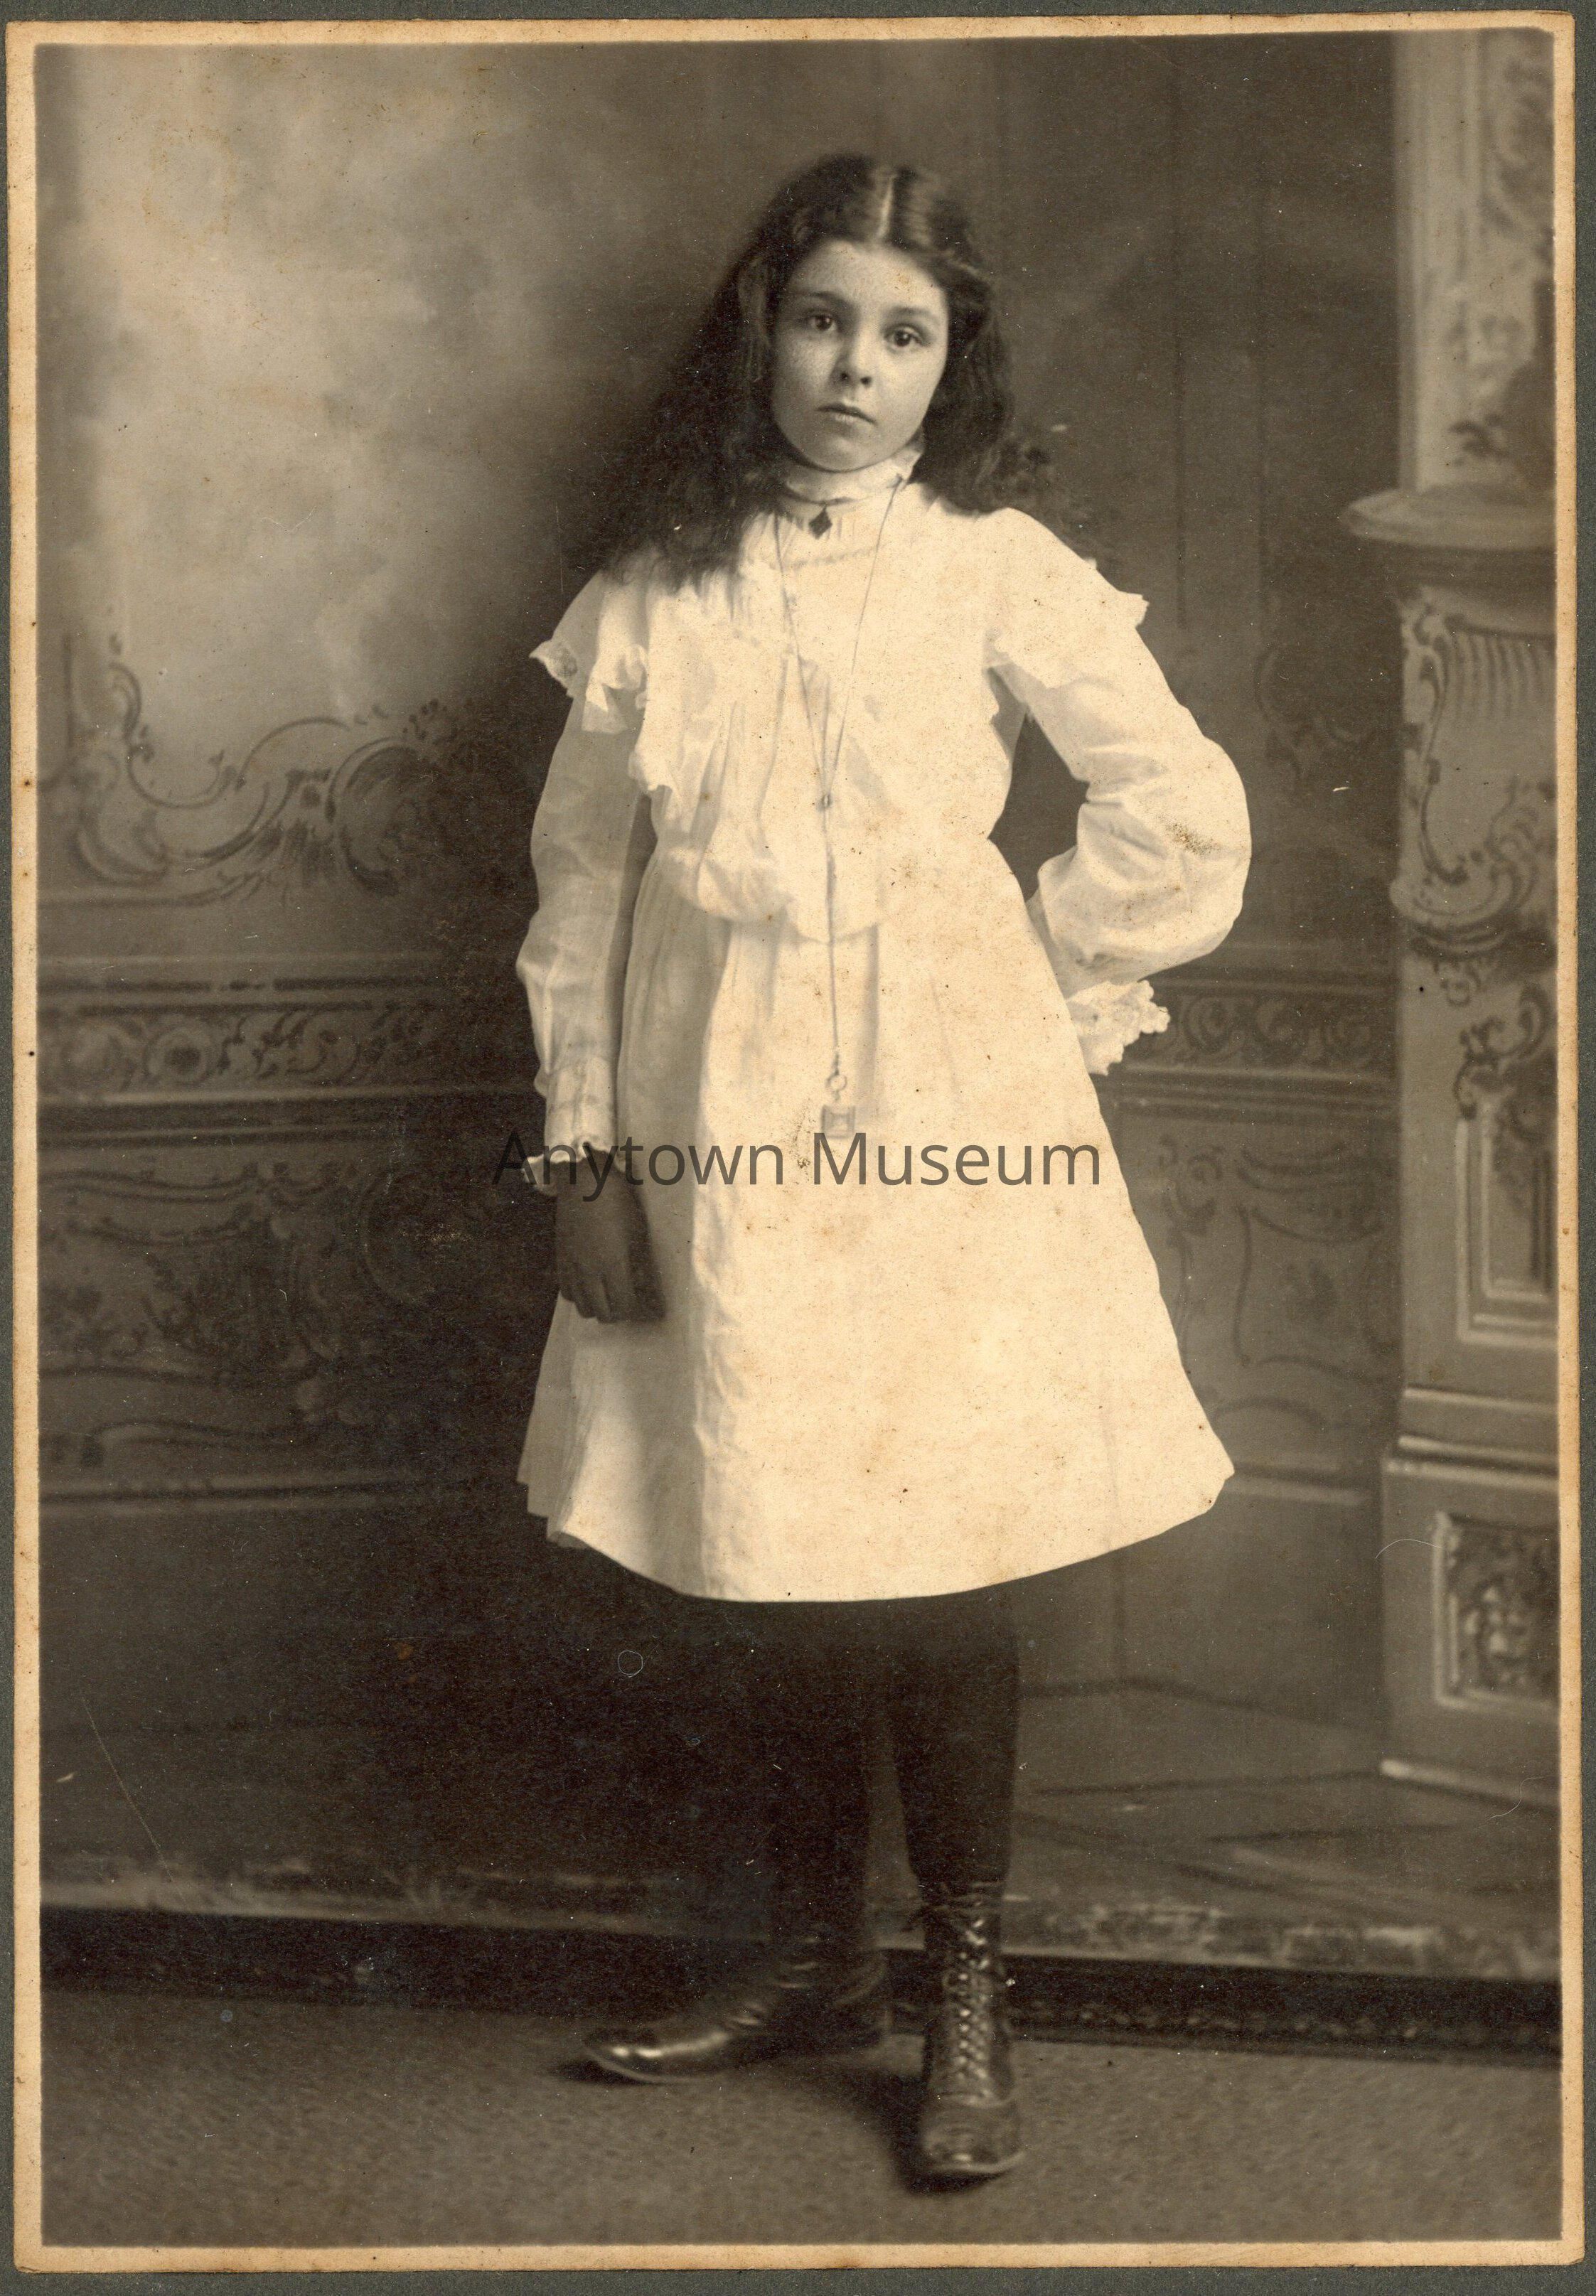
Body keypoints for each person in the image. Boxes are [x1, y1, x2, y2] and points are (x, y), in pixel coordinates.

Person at [515, 154, 1250, 2183]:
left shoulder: (993, 567)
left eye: (904, 333)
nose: (856, 366)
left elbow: (1180, 810)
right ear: (762, 330)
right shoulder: (657, 589)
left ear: (952, 362)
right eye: (825, 319)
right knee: (759, 1520)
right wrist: (584, 1148)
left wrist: (1035, 970)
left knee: (939, 1552)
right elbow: (581, 886)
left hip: (944, 1113)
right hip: (715, 1113)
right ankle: (806, 1959)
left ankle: (963, 1994)